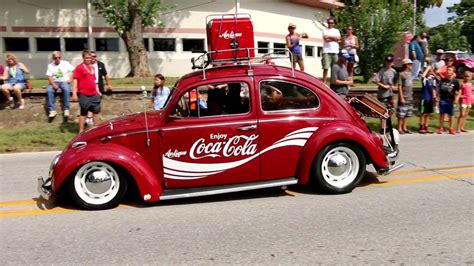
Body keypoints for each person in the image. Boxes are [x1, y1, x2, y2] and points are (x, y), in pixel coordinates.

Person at [71, 50, 101, 134]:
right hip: (84, 94)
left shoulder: (92, 67)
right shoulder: (79, 67)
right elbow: (75, 80)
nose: (88, 59)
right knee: (83, 112)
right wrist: (74, 93)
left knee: (96, 112)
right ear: (83, 58)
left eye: (90, 58)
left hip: (94, 94)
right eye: (86, 58)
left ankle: (96, 130)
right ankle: (81, 130)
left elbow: (94, 80)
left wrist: (97, 91)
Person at [46, 51, 74, 118]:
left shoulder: (65, 63)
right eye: (56, 58)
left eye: (59, 57)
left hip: (64, 81)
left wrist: (69, 80)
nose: (57, 59)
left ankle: (66, 109)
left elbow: (75, 71)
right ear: (53, 58)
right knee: (49, 90)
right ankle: (52, 110)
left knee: (66, 89)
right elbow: (49, 76)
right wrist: (53, 84)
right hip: (55, 81)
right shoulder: (50, 65)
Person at [86, 51, 112, 124]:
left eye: (94, 56)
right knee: (89, 102)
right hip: (89, 86)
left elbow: (105, 75)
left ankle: (91, 118)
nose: (93, 58)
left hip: (98, 86)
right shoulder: (86, 65)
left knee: (96, 102)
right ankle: (90, 118)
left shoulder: (100, 64)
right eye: (91, 56)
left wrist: (109, 84)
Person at [373, 55, 398, 130]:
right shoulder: (382, 71)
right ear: (385, 62)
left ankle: (388, 124)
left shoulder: (393, 71)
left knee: (391, 110)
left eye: (390, 62)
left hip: (390, 93)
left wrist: (394, 86)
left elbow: (395, 82)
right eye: (387, 62)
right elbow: (375, 80)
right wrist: (383, 86)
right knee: (383, 111)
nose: (389, 63)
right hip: (383, 94)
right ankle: (383, 127)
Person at [437, 66, 460, 135]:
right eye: (447, 70)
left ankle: (451, 128)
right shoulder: (443, 80)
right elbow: (439, 90)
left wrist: (456, 99)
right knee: (442, 114)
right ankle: (441, 128)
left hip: (451, 100)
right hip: (443, 99)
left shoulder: (455, 81)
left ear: (453, 72)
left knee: (451, 115)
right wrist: (437, 97)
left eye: (450, 70)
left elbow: (458, 91)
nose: (448, 71)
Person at [397, 59, 414, 134]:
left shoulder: (410, 74)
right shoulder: (401, 74)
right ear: (406, 65)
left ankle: (405, 127)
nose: (411, 66)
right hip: (404, 96)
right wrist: (401, 97)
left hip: (410, 97)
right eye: (410, 64)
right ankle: (399, 128)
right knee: (401, 114)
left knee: (407, 113)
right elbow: (399, 86)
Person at [321, 17, 341, 84]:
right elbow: (325, 38)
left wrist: (330, 37)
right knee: (325, 68)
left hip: (335, 51)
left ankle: (333, 82)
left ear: (334, 23)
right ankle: (324, 82)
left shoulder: (336, 31)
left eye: (332, 23)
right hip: (326, 51)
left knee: (334, 68)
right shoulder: (324, 30)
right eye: (329, 22)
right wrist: (334, 38)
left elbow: (339, 38)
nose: (330, 24)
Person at [419, 64, 437, 134]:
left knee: (428, 113)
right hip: (424, 98)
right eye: (428, 71)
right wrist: (427, 69)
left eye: (430, 71)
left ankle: (426, 126)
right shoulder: (424, 79)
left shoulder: (432, 78)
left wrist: (435, 96)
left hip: (430, 98)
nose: (429, 72)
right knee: (423, 113)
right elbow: (423, 76)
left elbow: (434, 87)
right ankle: (421, 127)